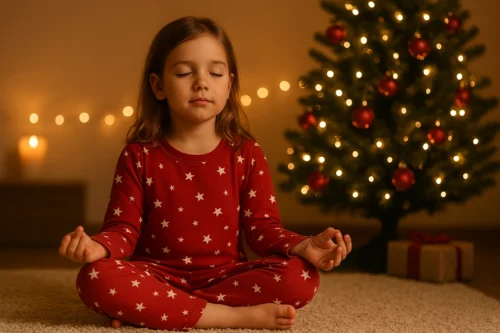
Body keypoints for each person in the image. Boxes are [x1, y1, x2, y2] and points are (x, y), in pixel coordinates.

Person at [58, 16, 352, 331]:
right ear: (158, 86)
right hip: (155, 275)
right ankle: (231, 317)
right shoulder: (138, 155)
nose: (201, 82)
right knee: (95, 279)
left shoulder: (246, 153)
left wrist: (303, 245)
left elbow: (262, 229)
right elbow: (123, 229)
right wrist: (97, 247)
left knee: (302, 276)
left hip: (226, 276)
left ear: (229, 85)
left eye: (215, 72)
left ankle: (161, 309)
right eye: (184, 72)